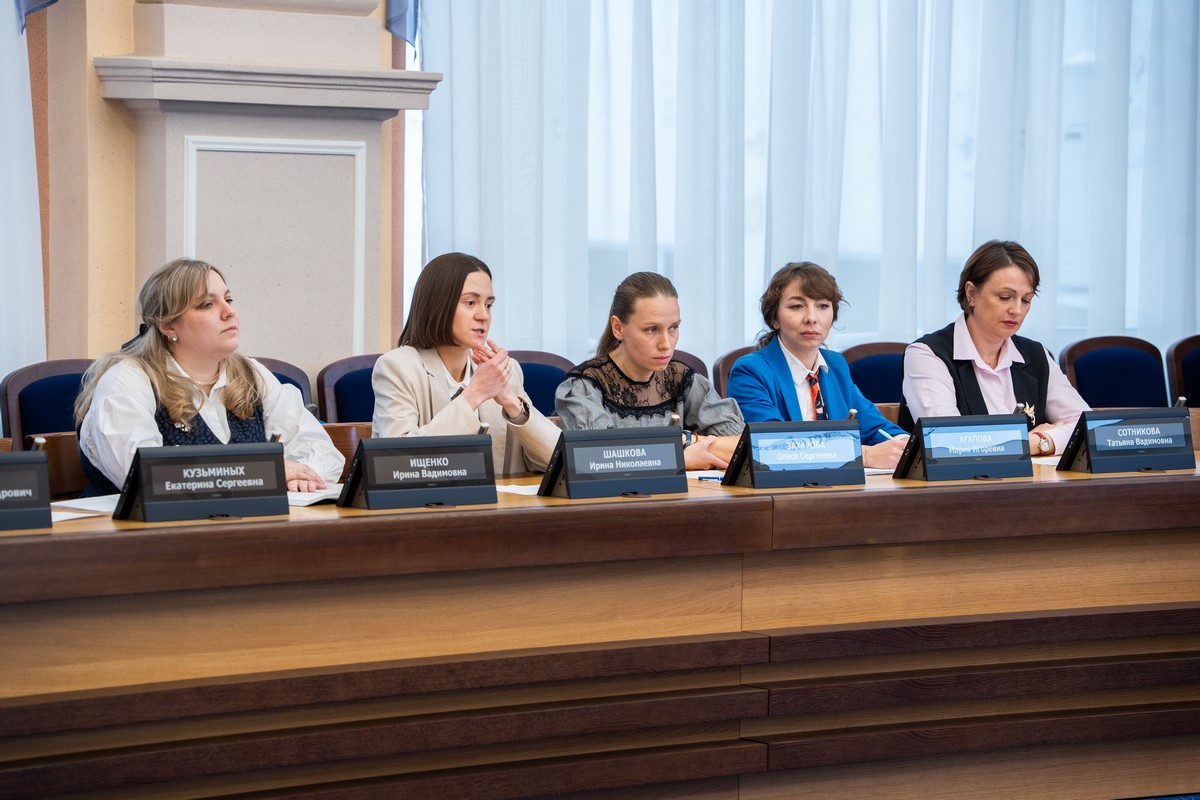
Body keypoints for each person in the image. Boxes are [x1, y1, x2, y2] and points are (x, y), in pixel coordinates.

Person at [75, 258, 344, 496]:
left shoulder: (251, 374)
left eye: (228, 299)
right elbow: (147, 478)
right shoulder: (127, 380)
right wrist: (266, 471)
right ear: (168, 325)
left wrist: (302, 477)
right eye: (207, 304)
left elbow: (322, 452)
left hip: (239, 525)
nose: (229, 312)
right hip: (136, 534)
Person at [372, 252, 559, 476]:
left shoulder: (504, 370)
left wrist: (511, 402)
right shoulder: (396, 367)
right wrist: (474, 394)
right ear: (438, 305)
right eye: (471, 303)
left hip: (502, 499)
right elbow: (397, 464)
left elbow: (558, 461)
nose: (484, 316)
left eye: (488, 305)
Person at [900, 239, 1089, 456]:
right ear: (971, 293)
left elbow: (1088, 429)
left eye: (1026, 300)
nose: (1017, 310)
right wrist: (1033, 441)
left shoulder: (1036, 355)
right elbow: (947, 442)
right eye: (1005, 297)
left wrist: (1040, 441)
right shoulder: (927, 355)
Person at [726, 262, 909, 470]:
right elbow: (774, 446)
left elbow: (875, 428)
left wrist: (909, 445)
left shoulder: (835, 365)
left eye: (822, 306)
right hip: (785, 486)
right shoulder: (750, 371)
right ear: (774, 318)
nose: (811, 318)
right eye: (797, 306)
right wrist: (863, 455)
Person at [554, 272, 743, 470]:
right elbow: (598, 459)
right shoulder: (584, 386)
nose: (666, 344)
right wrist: (679, 457)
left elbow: (742, 447)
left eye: (673, 327)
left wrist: (688, 441)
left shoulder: (684, 379)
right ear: (618, 328)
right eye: (651, 329)